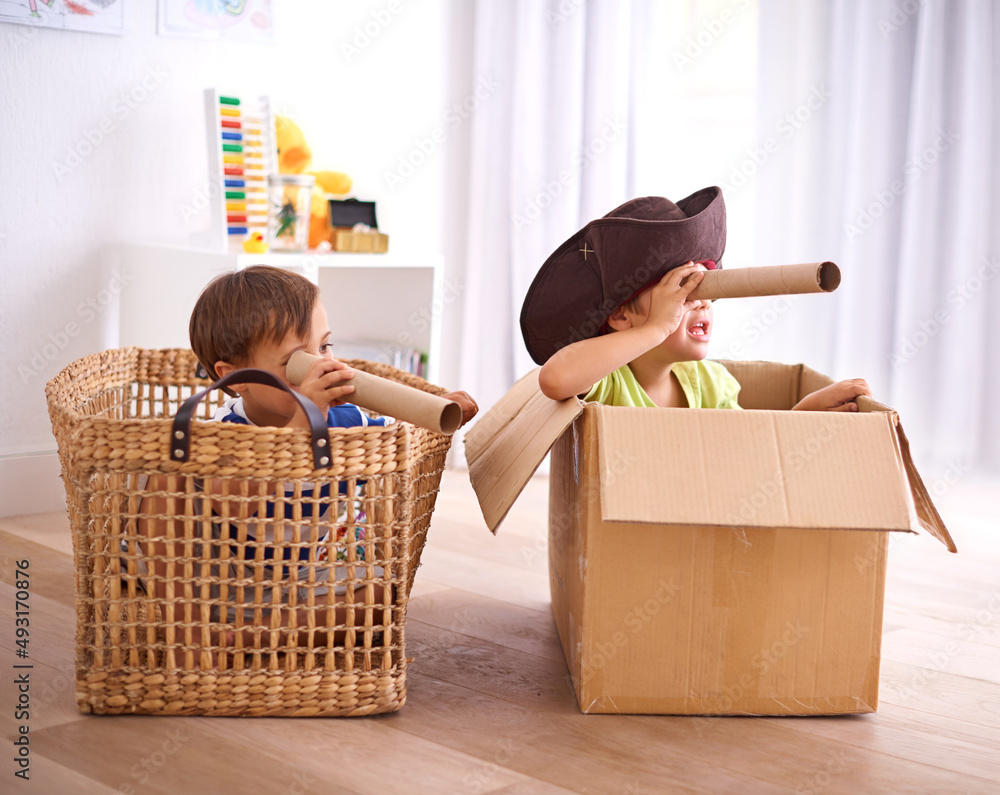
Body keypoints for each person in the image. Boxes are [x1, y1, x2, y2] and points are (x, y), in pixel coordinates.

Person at [136, 265, 478, 664]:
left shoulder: (347, 422)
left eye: (326, 347)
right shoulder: (222, 434)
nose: (321, 366)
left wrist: (438, 409)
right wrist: (303, 419)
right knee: (160, 484)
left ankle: (251, 640)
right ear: (234, 379)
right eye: (296, 363)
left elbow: (399, 438)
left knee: (382, 597)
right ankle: (192, 634)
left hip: (302, 579)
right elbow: (237, 504)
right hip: (221, 581)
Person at [521, 188, 871, 410]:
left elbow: (749, 450)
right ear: (623, 316)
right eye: (682, 292)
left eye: (705, 290)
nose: (702, 302)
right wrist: (657, 328)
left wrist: (806, 412)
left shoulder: (711, 384)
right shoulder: (609, 382)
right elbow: (554, 379)